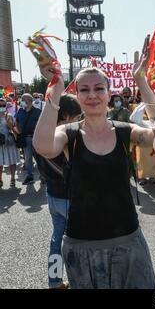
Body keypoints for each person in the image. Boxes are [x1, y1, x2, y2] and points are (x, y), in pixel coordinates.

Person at [33, 38, 155, 289]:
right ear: (77, 95)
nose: (92, 95)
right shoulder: (68, 133)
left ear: (109, 93)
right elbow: (44, 146)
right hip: (82, 247)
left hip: (128, 241)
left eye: (99, 88)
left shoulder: (126, 131)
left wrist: (141, 81)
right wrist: (56, 88)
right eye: (85, 90)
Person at [34, 95, 82, 289]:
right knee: (77, 242)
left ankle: (54, 281)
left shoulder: (42, 134)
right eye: (78, 117)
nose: (80, 121)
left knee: (56, 240)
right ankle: (77, 281)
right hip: (71, 198)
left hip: (52, 196)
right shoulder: (65, 137)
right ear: (67, 116)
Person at [16, 93, 42, 185]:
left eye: (23, 99)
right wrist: (18, 132)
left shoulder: (38, 111)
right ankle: (30, 176)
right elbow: (17, 122)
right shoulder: (20, 111)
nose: (21, 101)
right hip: (25, 139)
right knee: (27, 159)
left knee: (39, 158)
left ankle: (43, 176)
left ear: (30, 101)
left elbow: (43, 124)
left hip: (36, 138)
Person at [0, 98, 19, 189]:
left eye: (4, 105)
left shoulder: (10, 115)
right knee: (0, 162)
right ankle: (0, 180)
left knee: (12, 161)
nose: (2, 107)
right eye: (0, 105)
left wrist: (9, 123)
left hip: (9, 142)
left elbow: (15, 129)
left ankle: (12, 179)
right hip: (0, 143)